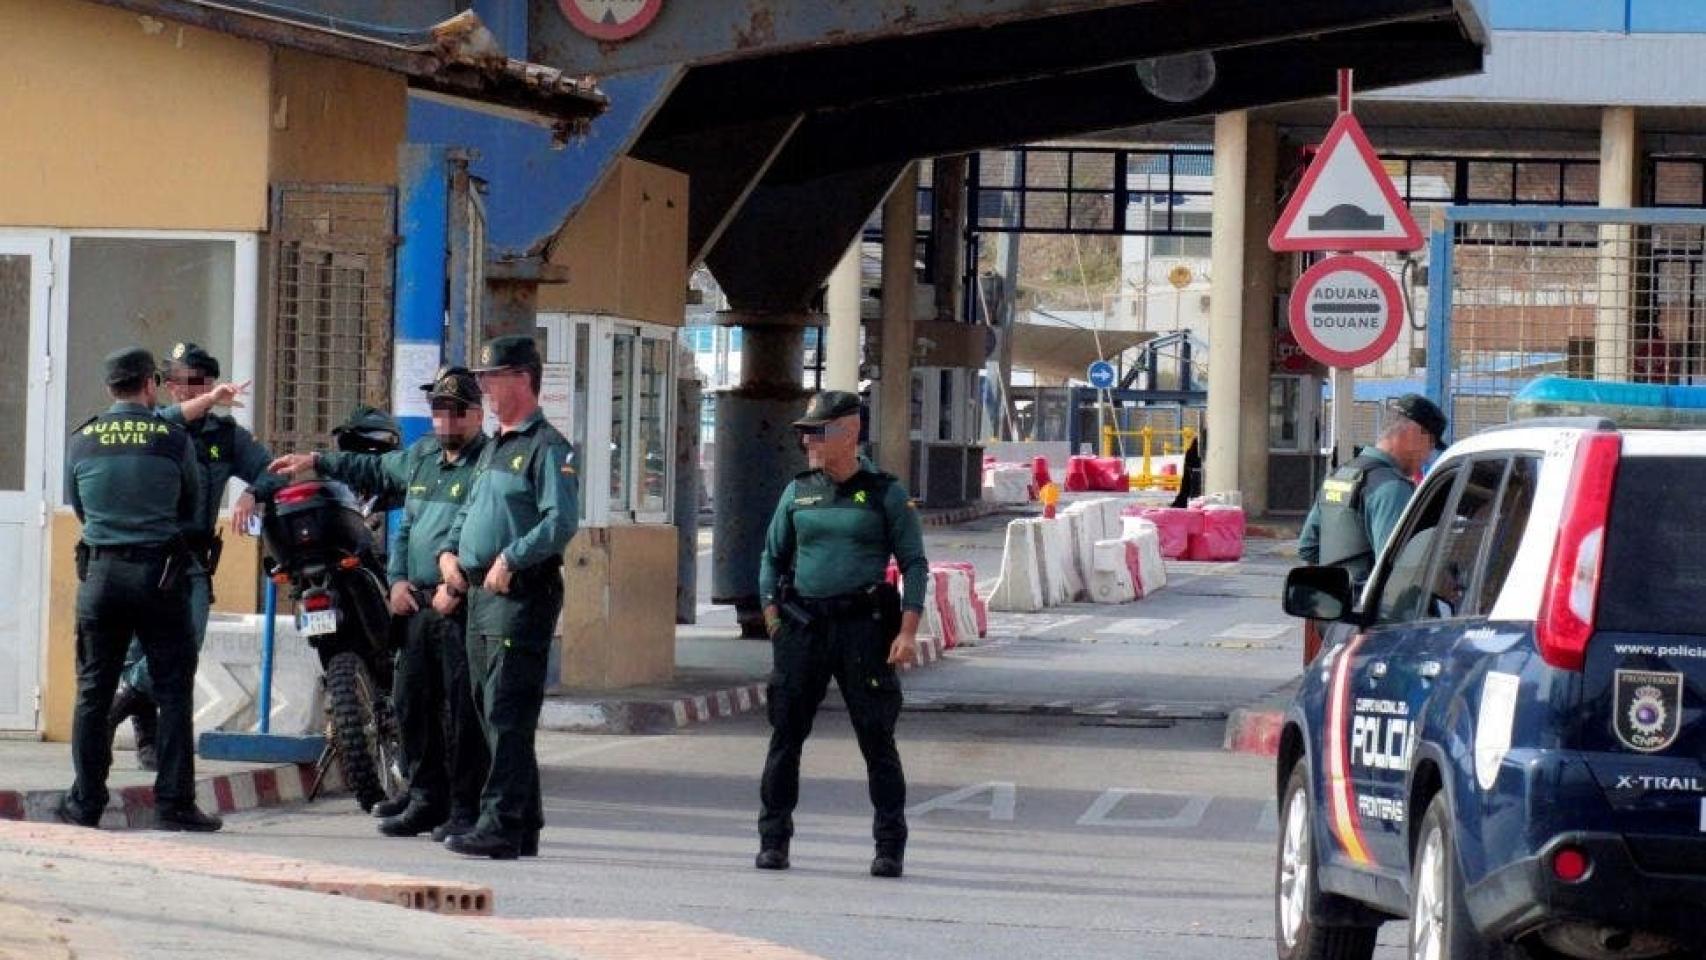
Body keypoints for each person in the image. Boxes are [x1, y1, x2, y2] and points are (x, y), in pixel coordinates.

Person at [268, 368, 492, 843]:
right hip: (415, 601)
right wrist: (395, 583)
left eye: (455, 411)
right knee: (413, 703)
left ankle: (464, 807)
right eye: (438, 410)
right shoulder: (422, 456)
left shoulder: (487, 463)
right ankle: (426, 798)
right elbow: (383, 490)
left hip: (461, 602)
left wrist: (459, 585)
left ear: (476, 414)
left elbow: (482, 528)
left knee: (461, 710)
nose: (445, 420)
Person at [755, 390, 928, 879]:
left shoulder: (884, 492)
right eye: (806, 430)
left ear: (849, 432)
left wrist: (908, 629)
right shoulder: (799, 491)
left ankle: (889, 846)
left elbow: (914, 563)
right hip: (804, 628)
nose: (808, 439)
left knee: (877, 739)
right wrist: (772, 619)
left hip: (863, 631)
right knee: (785, 736)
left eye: (819, 430)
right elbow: (772, 557)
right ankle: (774, 839)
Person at [59, 347, 222, 831]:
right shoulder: (171, 438)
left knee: (93, 692)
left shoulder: (83, 440)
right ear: (150, 384)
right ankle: (173, 804)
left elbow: (80, 509)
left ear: (111, 388)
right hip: (160, 577)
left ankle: (86, 803)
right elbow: (190, 505)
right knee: (173, 692)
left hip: (102, 577)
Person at [435, 336, 578, 860]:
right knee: (486, 707)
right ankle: (523, 821)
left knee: (507, 712)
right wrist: (450, 557)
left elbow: (561, 521)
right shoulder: (495, 446)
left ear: (521, 378)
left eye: (493, 377)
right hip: (477, 596)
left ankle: (499, 824)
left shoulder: (548, 447)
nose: (486, 387)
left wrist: (511, 558)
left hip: (519, 595)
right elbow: (468, 513)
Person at [107, 343, 278, 771]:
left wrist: (253, 494)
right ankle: (147, 736)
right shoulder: (150, 425)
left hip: (188, 559)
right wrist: (207, 400)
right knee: (136, 647)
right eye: (176, 382)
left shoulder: (224, 436)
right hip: (139, 554)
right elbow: (160, 421)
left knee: (186, 644)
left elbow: (270, 469)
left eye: (194, 383)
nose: (183, 390)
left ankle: (121, 701)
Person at [1297, 394, 1447, 659]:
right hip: (1370, 630)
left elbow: (1308, 547)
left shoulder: (1340, 477)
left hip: (1333, 623)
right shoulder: (1391, 488)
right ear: (1414, 433)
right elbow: (1400, 573)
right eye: (1431, 443)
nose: (1428, 456)